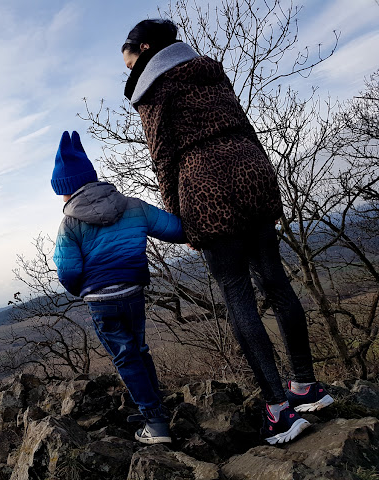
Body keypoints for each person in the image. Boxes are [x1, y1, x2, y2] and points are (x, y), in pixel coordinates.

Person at [120, 19, 333, 445]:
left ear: (143, 48)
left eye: (126, 59)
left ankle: (278, 410)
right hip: (251, 167)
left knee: (236, 290)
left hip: (205, 182)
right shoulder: (209, 70)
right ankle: (305, 385)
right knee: (274, 280)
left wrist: (175, 210)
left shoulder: (152, 88)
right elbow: (244, 123)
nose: (125, 69)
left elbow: (163, 156)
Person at [51, 130, 186, 444]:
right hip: (133, 293)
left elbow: (68, 272)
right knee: (139, 350)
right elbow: (175, 229)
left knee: (125, 357)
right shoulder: (132, 206)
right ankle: (155, 410)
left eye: (61, 192)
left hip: (102, 301)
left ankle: (155, 424)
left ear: (67, 190)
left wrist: (85, 289)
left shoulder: (69, 224)